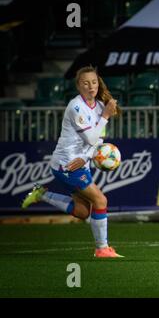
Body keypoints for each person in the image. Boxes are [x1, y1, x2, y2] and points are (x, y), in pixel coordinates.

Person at [22, 66, 123, 258]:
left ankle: (41, 193)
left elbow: (98, 140)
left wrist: (86, 157)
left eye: (94, 82)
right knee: (101, 200)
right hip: (67, 164)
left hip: (79, 163)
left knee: (82, 212)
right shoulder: (76, 106)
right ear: (78, 86)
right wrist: (106, 116)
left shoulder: (100, 106)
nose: (91, 86)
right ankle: (102, 249)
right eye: (85, 83)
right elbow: (92, 140)